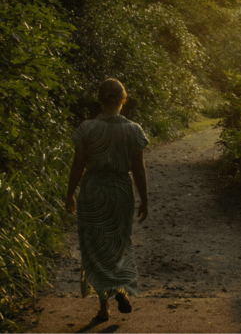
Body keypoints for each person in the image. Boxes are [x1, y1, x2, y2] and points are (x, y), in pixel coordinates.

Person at [65, 78, 149, 321]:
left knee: (94, 248)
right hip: (121, 191)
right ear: (124, 100)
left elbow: (77, 166)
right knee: (119, 243)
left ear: (100, 100)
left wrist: (70, 194)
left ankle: (103, 308)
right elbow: (139, 169)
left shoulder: (87, 128)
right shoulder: (134, 130)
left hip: (93, 191)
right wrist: (144, 200)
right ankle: (121, 287)